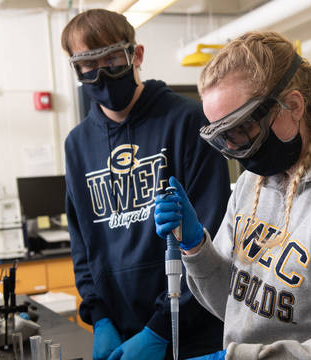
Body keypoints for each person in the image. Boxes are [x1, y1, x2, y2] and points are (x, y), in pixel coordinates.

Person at [154, 31, 311, 359]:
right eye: (222, 137)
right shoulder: (254, 183)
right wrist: (196, 248)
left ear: (292, 106)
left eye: (243, 129)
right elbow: (233, 306)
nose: (234, 149)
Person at [61, 9, 231, 360]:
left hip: (192, 331)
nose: (102, 73)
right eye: (87, 65)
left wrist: (160, 329)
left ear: (136, 55)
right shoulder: (77, 144)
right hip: (120, 332)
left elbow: (211, 231)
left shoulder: (187, 121)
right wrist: (100, 316)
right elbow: (82, 242)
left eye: (111, 58)